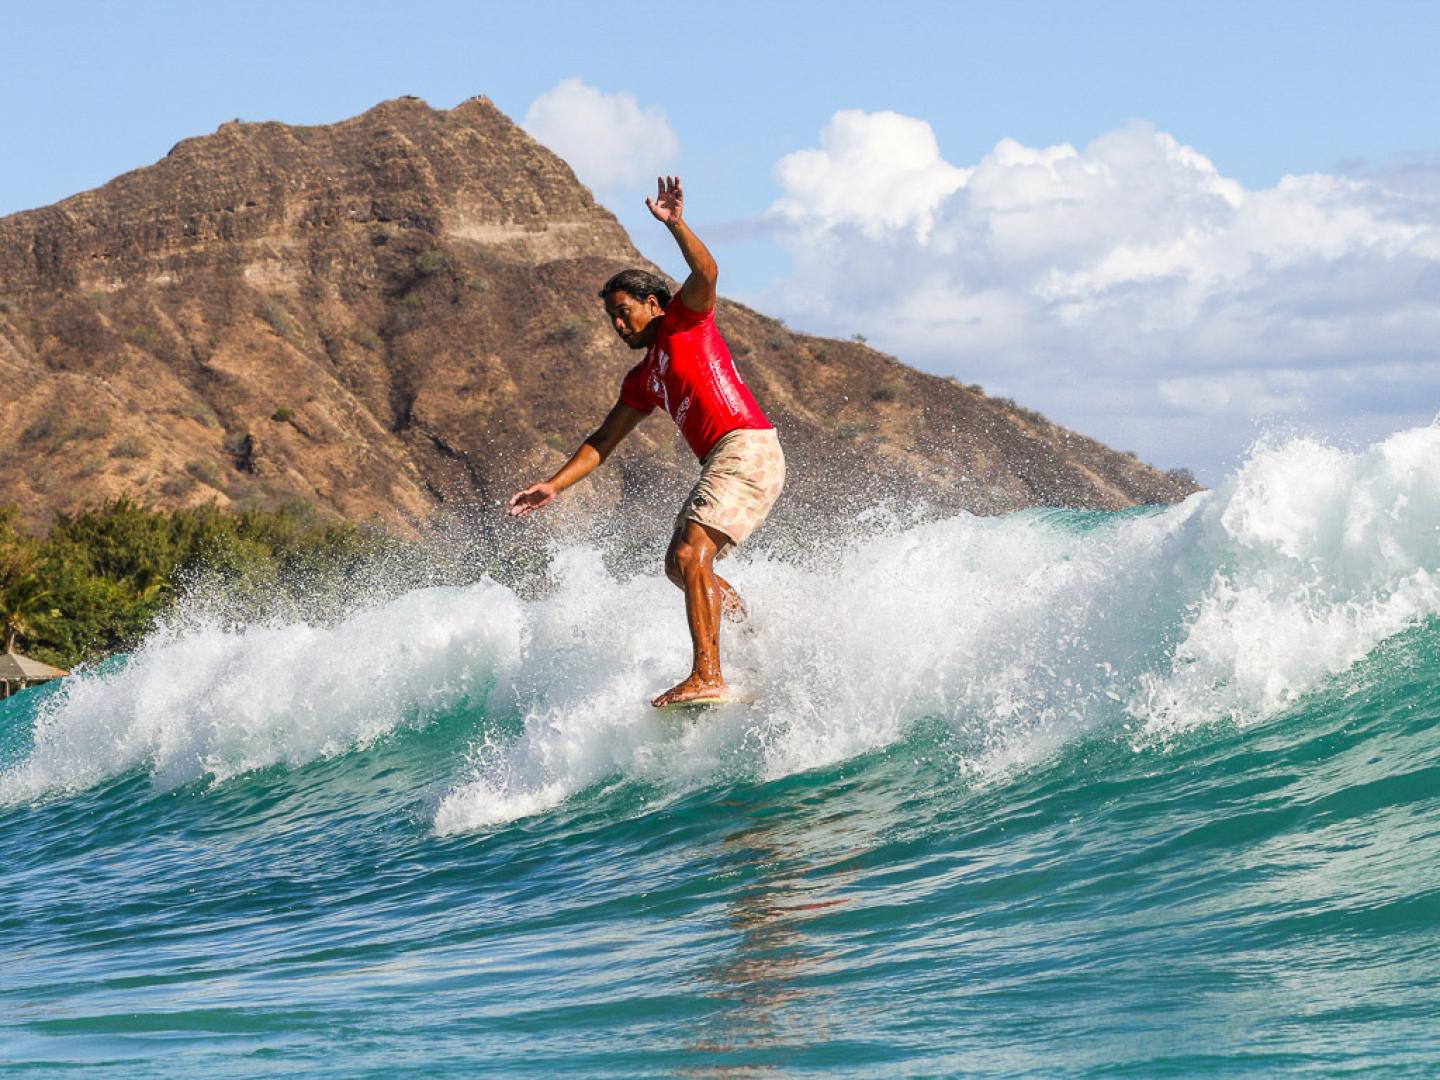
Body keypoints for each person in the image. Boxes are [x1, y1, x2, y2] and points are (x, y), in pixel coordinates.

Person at [509, 177, 784, 707]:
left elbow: (707, 272)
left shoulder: (687, 321)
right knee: (678, 565)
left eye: (624, 311)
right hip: (727, 457)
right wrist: (554, 486)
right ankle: (755, 639)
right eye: (611, 317)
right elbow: (602, 441)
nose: (616, 324)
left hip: (744, 445)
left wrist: (675, 224)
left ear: (654, 304)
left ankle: (707, 674)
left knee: (692, 551)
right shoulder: (643, 378)